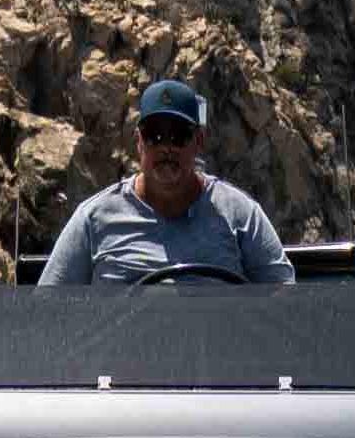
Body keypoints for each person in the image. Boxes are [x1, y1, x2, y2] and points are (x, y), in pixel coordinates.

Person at [32, 78, 291, 287]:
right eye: (155, 136)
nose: (167, 148)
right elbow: (49, 312)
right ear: (139, 142)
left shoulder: (241, 216)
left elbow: (285, 303)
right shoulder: (93, 219)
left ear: (198, 142)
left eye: (178, 136)